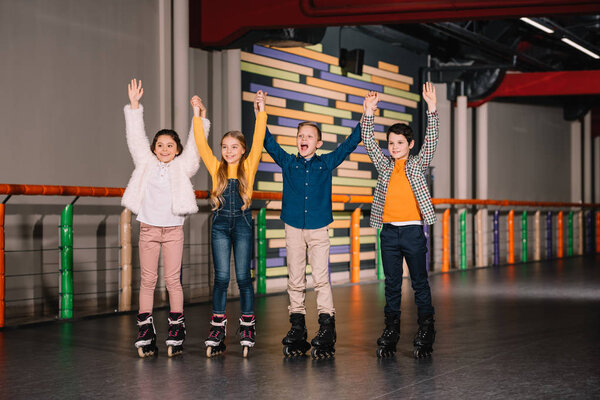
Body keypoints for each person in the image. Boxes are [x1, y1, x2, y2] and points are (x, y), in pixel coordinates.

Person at [262, 107, 362, 359]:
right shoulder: (288, 162)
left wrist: (367, 114)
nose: (303, 139)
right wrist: (262, 111)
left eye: (309, 136)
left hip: (318, 227)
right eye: (300, 136)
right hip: (293, 226)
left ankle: (327, 327)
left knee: (320, 278)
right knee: (295, 278)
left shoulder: (326, 162)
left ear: (318, 143)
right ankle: (297, 326)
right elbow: (267, 142)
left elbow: (350, 143)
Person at [122, 78, 207, 358]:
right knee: (147, 280)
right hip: (148, 229)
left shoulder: (183, 167)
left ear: (177, 150)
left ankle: (176, 326)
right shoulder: (146, 163)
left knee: (172, 280)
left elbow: (196, 149)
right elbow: (136, 138)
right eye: (160, 144)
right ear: (154, 148)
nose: (164, 148)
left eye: (170, 145)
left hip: (173, 231)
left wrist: (198, 117)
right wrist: (135, 106)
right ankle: (145, 328)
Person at [360, 83, 439, 358]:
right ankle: (391, 329)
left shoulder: (417, 164)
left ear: (410, 145)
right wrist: (367, 112)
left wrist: (432, 109)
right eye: (391, 143)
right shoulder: (384, 165)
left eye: (400, 143)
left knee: (419, 282)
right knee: (392, 284)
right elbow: (368, 142)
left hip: (413, 233)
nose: (394, 147)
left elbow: (432, 140)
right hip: (389, 233)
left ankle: (426, 329)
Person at [191, 91, 267, 358]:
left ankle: (247, 325)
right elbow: (201, 144)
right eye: (225, 147)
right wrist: (199, 115)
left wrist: (260, 111)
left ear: (243, 150)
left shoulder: (249, 166)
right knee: (222, 278)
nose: (229, 151)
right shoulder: (216, 168)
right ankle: (217, 326)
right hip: (221, 225)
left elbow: (259, 139)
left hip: (244, 224)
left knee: (244, 278)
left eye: (234, 147)